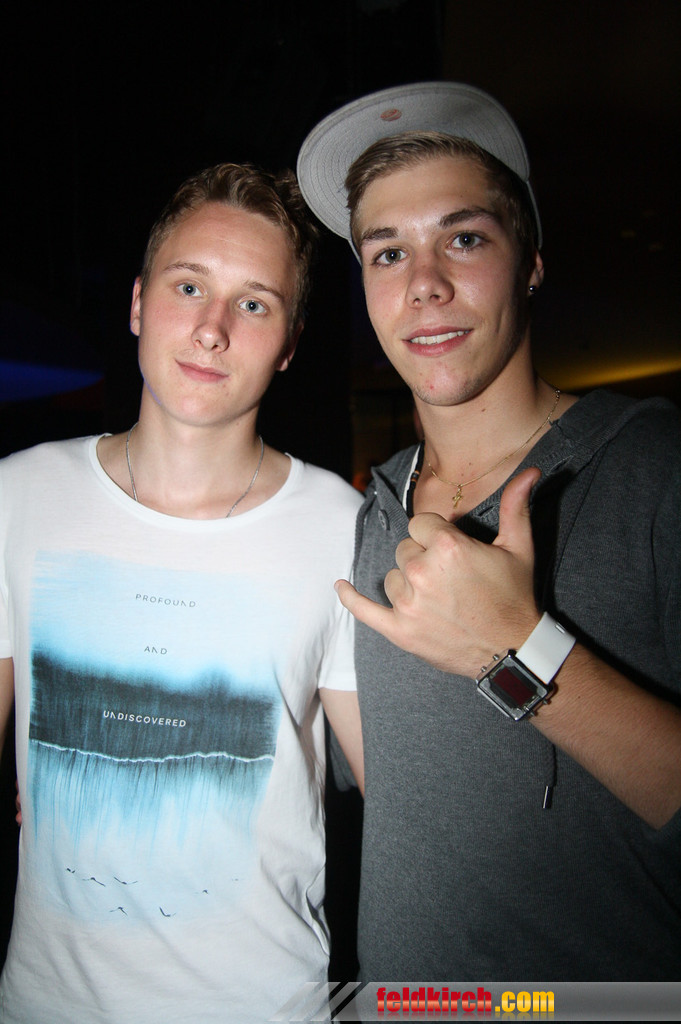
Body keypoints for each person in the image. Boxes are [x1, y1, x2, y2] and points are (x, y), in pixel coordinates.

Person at [297, 82, 681, 980]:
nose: (423, 284)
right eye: (387, 253)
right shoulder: (369, 513)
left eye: (463, 239)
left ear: (531, 262)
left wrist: (515, 650)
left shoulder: (653, 469)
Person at [0, 162, 363, 1022]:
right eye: (189, 286)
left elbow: (412, 802)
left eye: (254, 304)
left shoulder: (343, 527)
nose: (211, 329)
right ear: (137, 303)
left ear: (289, 342)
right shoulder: (18, 496)